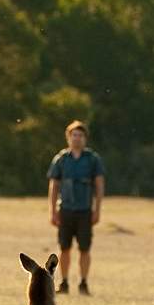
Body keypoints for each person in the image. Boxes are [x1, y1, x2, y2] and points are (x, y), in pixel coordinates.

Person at [47, 120, 105, 295]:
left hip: (85, 210)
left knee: (84, 248)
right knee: (64, 248)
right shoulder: (61, 159)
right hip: (66, 209)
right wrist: (52, 210)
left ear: (85, 138)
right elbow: (54, 185)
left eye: (80, 135)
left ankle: (83, 282)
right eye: (74, 135)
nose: (77, 138)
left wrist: (97, 209)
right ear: (68, 137)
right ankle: (63, 282)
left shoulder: (93, 159)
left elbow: (99, 185)